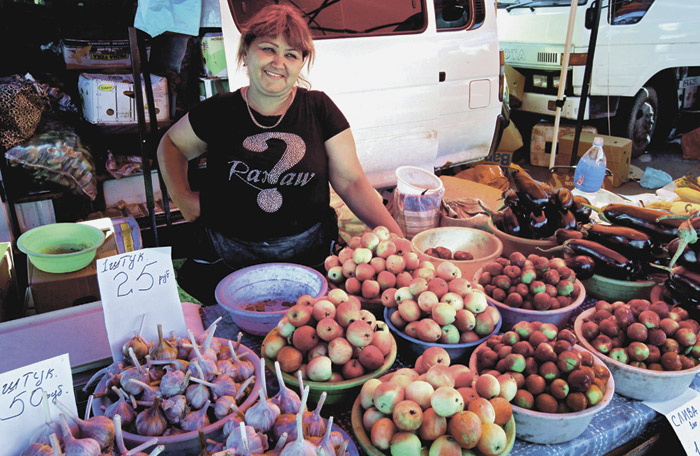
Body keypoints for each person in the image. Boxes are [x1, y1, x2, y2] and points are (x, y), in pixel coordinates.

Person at [157, 4, 403, 304]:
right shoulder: (219, 110)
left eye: (291, 54)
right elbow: (171, 145)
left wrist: (397, 238)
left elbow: (352, 182)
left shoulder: (319, 108)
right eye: (268, 49)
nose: (279, 62)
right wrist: (181, 196)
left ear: (302, 63)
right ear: (246, 52)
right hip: (225, 257)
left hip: (309, 257)